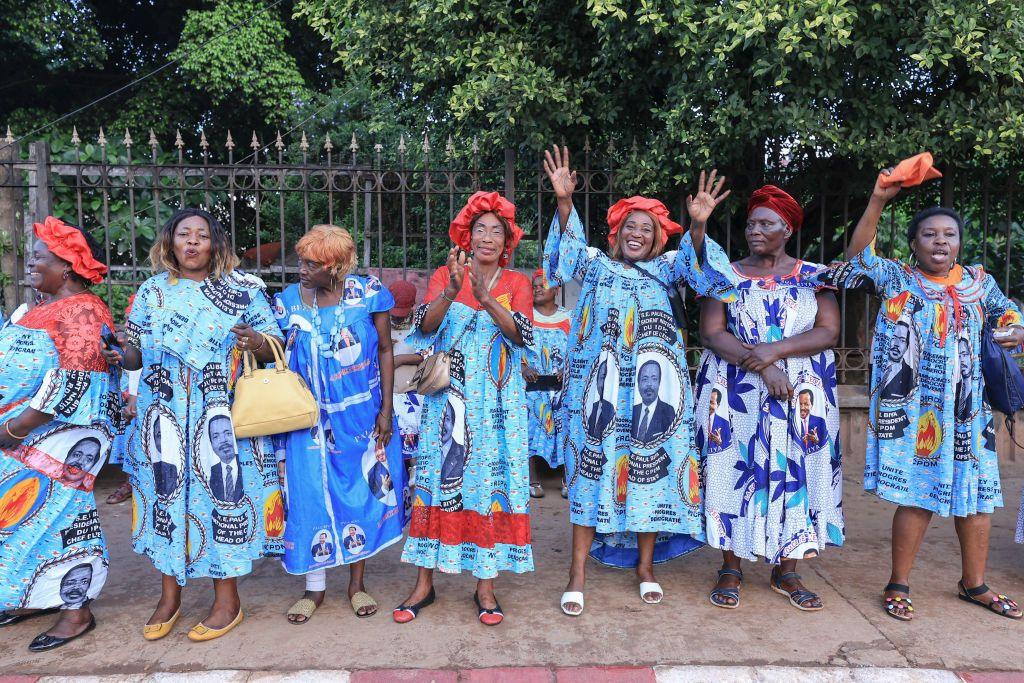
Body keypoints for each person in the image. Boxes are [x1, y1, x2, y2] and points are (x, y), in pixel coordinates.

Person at [818, 167, 1024, 621]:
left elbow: (1010, 315)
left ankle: (975, 585)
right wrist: (877, 200)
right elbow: (856, 260)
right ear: (914, 244)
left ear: (959, 243)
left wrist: (1015, 329)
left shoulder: (979, 283)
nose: (939, 241)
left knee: (977, 498)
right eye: (929, 234)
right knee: (918, 497)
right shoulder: (897, 278)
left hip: (970, 413)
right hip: (915, 412)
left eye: (948, 234)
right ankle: (898, 582)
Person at [542, 146, 738, 616]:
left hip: (656, 397)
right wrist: (564, 203)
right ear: (616, 232)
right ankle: (577, 573)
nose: (636, 233)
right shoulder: (593, 265)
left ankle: (646, 568)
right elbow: (559, 268)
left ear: (657, 239)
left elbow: (711, 278)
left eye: (646, 228)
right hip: (601, 397)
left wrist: (698, 225)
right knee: (590, 475)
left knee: (653, 474)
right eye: (629, 225)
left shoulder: (669, 268)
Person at [101, 208, 284, 642]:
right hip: (162, 418)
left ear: (215, 244)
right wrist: (120, 353)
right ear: (170, 242)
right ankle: (170, 597)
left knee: (222, 503)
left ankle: (228, 600)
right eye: (184, 235)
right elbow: (136, 354)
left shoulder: (242, 290)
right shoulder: (152, 291)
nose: (192, 242)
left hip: (219, 418)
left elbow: (275, 342)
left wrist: (254, 340)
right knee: (166, 500)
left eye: (202, 235)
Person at [695, 184, 843, 612]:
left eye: (766, 223)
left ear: (788, 229)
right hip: (735, 387)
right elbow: (711, 332)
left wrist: (774, 352)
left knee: (798, 470)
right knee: (730, 467)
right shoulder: (724, 273)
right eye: (750, 224)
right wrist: (763, 365)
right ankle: (730, 565)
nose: (755, 231)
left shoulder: (815, 276)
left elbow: (828, 331)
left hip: (802, 392)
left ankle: (789, 568)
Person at [395, 191, 534, 626]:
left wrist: (486, 298)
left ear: (507, 241)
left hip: (499, 405)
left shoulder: (518, 284)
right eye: (481, 230)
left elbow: (522, 337)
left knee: (490, 483)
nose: (488, 237)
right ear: (467, 236)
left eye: (498, 231)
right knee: (438, 479)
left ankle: (485, 586)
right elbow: (425, 328)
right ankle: (424, 583)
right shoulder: (443, 274)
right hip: (447, 401)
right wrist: (453, 291)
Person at [273, 224, 407, 623]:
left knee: (360, 494)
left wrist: (387, 411)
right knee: (309, 493)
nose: (302, 269)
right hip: (306, 419)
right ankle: (314, 588)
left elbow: (385, 349)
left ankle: (356, 584)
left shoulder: (368, 295)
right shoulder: (287, 303)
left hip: (362, 415)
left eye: (312, 264)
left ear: (335, 268)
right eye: (301, 261)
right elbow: (272, 349)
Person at [0, 216, 116, 651]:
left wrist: (14, 428)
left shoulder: (81, 309)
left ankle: (76, 607)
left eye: (39, 258)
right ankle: (35, 594)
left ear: (66, 266)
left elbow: (78, 382)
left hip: (61, 436)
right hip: (20, 435)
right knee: (24, 520)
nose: (30, 263)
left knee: (64, 518)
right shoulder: (37, 309)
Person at [522, 268, 571, 498]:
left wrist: (567, 368)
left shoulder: (569, 318)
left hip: (562, 389)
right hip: (533, 388)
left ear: (557, 289)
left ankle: (567, 479)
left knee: (566, 429)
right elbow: (513, 350)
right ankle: (533, 480)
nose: (538, 288)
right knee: (530, 429)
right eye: (535, 285)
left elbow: (578, 351)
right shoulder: (525, 318)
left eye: (543, 284)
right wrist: (523, 368)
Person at [105, 296, 139, 505]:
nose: (127, 323)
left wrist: (133, 400)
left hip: (144, 399)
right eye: (127, 319)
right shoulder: (123, 345)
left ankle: (136, 484)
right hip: (129, 401)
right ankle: (130, 483)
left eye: (130, 318)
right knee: (129, 441)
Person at [631, 360, 676, 444]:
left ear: (659, 383)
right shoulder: (632, 411)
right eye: (644, 379)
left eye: (654, 379)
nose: (649, 384)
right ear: (638, 384)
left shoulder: (668, 411)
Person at [208, 414, 243, 503]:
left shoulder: (249, 466)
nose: (223, 440)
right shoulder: (208, 473)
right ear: (211, 443)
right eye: (216, 436)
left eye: (228, 433)